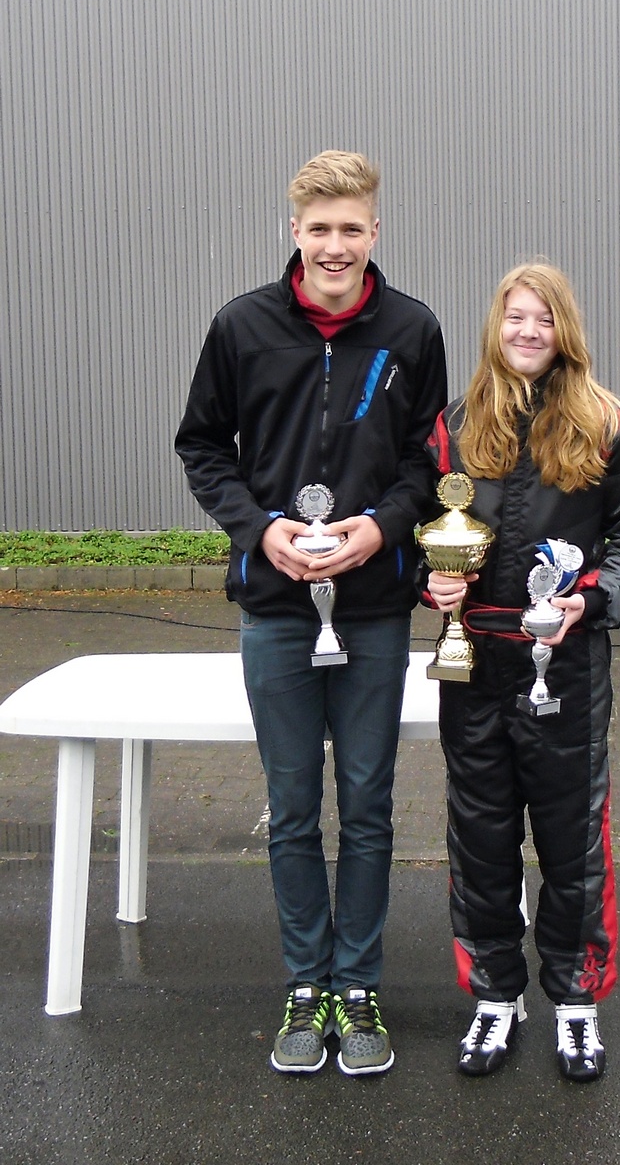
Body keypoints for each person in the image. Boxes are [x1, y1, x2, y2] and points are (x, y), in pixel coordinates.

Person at [175, 150, 447, 1076]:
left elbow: (425, 461)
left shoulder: (412, 329)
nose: (336, 246)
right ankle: (306, 982)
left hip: (372, 608)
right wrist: (262, 532)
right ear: (293, 231)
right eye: (319, 229)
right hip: (277, 606)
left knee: (367, 805)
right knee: (293, 807)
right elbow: (203, 446)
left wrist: (381, 526)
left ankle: (358, 983)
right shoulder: (241, 326)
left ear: (377, 231)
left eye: (353, 228)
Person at [425, 262, 620, 1081]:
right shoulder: (453, 427)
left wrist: (589, 600)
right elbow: (416, 525)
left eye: (543, 319)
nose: (527, 332)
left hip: (563, 664)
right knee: (482, 836)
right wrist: (430, 580)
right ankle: (495, 997)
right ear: (495, 328)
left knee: (571, 844)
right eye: (513, 318)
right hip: (471, 663)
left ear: (566, 329)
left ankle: (575, 999)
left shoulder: (609, 424)